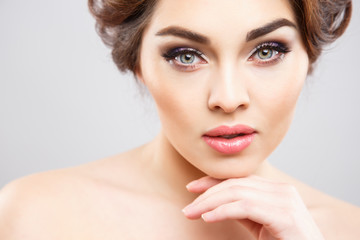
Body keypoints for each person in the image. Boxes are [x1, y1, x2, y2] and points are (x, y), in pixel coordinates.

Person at [0, 0, 359, 239]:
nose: (228, 98)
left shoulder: (346, 229)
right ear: (138, 64)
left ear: (308, 57)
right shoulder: (36, 215)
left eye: (267, 51)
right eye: (186, 56)